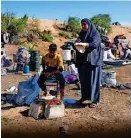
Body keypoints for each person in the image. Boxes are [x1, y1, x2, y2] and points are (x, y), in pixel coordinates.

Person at [73, 18, 103, 108]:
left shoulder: (95, 33)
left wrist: (85, 44)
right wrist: (77, 43)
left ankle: (95, 100)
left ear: (89, 25)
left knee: (93, 81)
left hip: (94, 61)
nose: (83, 26)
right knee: (83, 80)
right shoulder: (82, 33)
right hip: (83, 61)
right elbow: (78, 43)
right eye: (82, 25)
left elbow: (94, 44)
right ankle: (84, 97)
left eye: (84, 24)